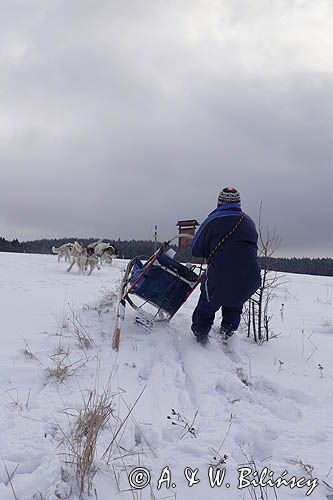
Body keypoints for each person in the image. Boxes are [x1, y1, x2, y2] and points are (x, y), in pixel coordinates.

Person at [190, 187, 261, 345]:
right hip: (249, 276)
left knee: (209, 301)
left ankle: (200, 336)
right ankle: (227, 333)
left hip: (219, 276)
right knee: (235, 298)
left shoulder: (213, 220)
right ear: (238, 202)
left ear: (219, 202)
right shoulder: (249, 222)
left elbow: (196, 249)